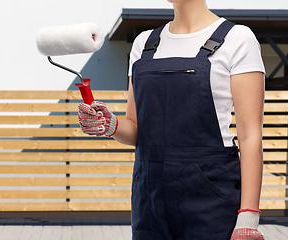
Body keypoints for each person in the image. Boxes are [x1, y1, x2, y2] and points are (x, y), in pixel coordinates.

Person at [78, 0, 265, 239]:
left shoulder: (238, 39)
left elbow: (250, 137)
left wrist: (248, 217)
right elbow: (135, 128)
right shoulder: (144, 44)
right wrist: (110, 124)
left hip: (210, 199)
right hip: (150, 199)